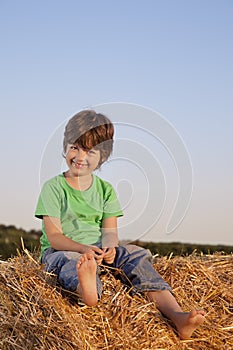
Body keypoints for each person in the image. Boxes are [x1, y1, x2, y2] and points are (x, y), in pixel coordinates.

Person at [35, 109, 205, 340]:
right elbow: (54, 236)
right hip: (63, 250)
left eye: (90, 151)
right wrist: (83, 249)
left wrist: (110, 249)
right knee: (69, 262)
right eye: (74, 147)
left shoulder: (105, 190)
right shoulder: (53, 188)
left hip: (97, 250)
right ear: (65, 146)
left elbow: (109, 232)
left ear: (102, 157)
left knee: (135, 255)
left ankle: (177, 316)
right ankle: (87, 293)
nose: (80, 156)